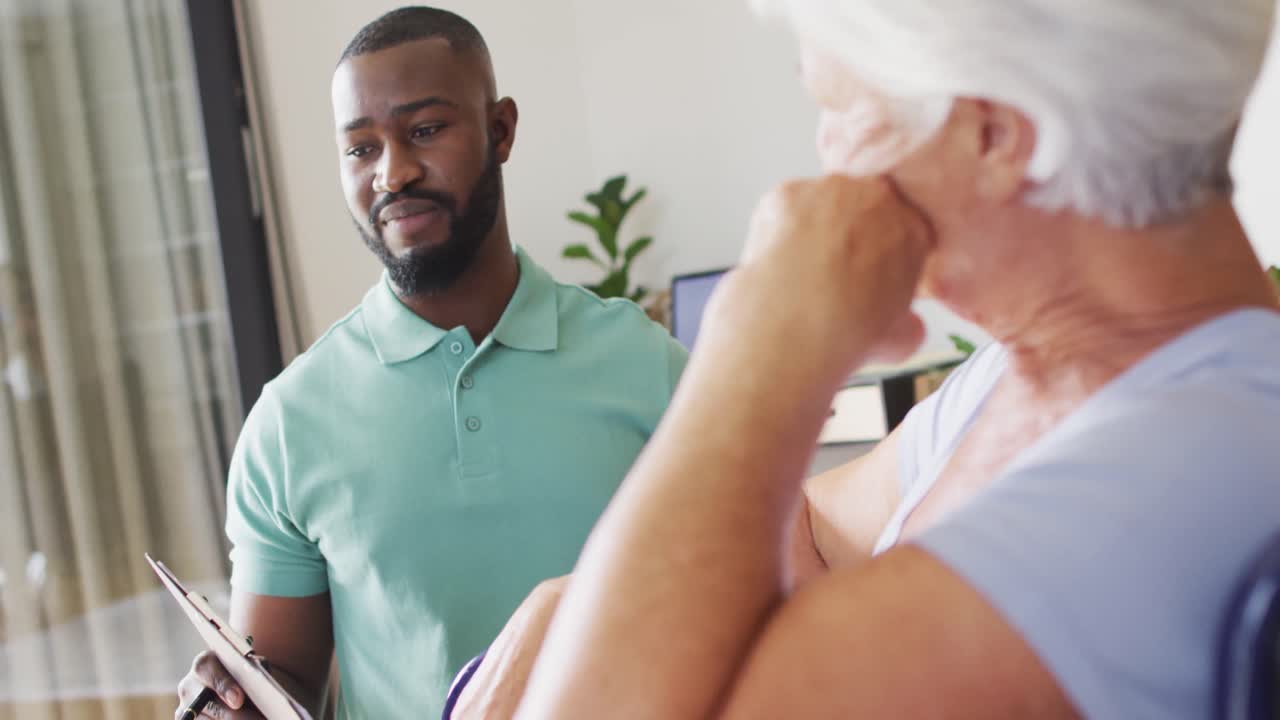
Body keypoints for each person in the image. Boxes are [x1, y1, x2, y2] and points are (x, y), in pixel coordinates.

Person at [449, 1, 1280, 718]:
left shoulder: (1164, 476)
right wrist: (567, 602)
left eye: (842, 110)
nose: (825, 159)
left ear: (993, 135)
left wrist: (762, 342)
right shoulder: (1020, 377)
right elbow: (810, 528)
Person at [173, 7, 686, 719]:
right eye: (360, 149)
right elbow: (285, 676)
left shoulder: (647, 368)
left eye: (424, 130)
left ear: (500, 129)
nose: (394, 173)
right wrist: (236, 701)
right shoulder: (291, 422)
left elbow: (743, 597)